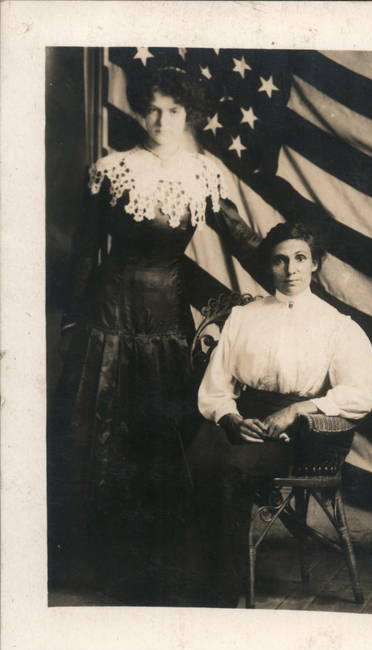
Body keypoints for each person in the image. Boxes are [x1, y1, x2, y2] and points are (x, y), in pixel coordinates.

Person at [48, 66, 259, 604]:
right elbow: (84, 250)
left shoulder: (205, 174)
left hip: (166, 321)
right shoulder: (113, 169)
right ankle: (91, 562)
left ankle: (157, 563)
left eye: (174, 111)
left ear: (189, 116)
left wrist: (289, 264)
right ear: (139, 111)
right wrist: (72, 317)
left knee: (158, 433)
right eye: (153, 109)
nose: (162, 120)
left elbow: (242, 241)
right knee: (97, 431)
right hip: (108, 318)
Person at [185, 221, 372, 607]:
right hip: (243, 420)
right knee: (193, 457)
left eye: (300, 259)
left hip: (298, 435)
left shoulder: (336, 326)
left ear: (315, 264)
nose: (290, 270)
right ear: (269, 267)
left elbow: (360, 392)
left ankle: (218, 593)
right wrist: (230, 418)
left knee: (228, 467)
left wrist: (298, 409)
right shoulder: (244, 317)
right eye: (279, 261)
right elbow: (216, 387)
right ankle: (186, 579)